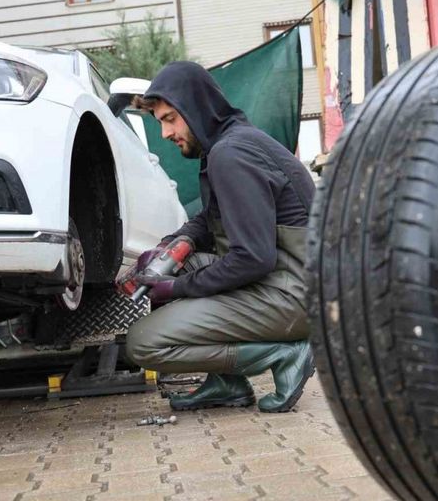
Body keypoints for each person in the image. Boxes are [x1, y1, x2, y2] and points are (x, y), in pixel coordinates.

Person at [125, 61, 316, 413]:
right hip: (289, 281)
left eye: (170, 119)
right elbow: (210, 218)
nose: (166, 133)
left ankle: (285, 354)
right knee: (170, 269)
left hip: (293, 295)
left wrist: (176, 288)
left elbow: (253, 258)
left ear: (194, 107)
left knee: (144, 343)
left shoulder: (232, 155)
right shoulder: (228, 146)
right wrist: (170, 248)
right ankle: (226, 383)